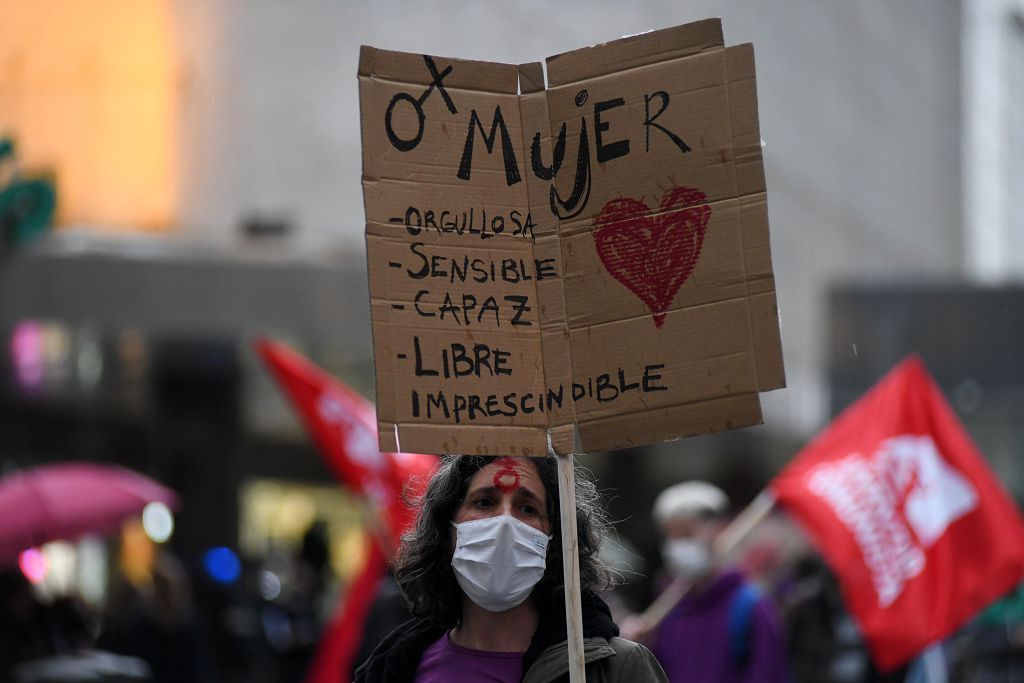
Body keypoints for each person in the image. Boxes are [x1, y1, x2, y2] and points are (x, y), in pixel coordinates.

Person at [354, 454, 666, 683]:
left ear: (553, 539)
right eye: (485, 502)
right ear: (448, 531)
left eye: (527, 508)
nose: (505, 522)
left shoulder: (616, 670)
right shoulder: (393, 669)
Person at [626, 481, 789, 683]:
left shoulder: (752, 608)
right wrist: (637, 651)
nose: (676, 545)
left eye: (686, 533)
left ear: (720, 530)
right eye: (670, 535)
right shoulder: (669, 610)